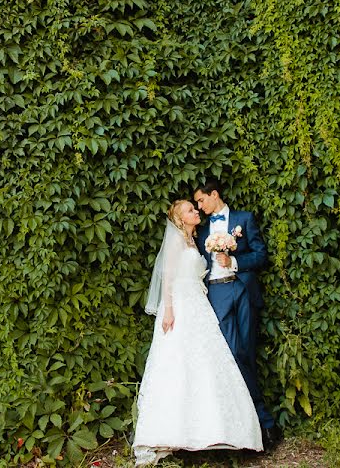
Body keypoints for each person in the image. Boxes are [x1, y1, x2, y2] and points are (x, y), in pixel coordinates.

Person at [132, 200, 262, 466]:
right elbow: (167, 277)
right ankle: (171, 431)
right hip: (180, 307)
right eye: (191, 210)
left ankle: (212, 431)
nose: (196, 212)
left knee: (207, 364)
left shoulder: (194, 241)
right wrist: (168, 310)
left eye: (195, 207)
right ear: (181, 219)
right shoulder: (177, 242)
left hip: (199, 305)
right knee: (177, 365)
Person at [193, 179, 281, 449]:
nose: (199, 206)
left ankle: (255, 427)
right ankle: (264, 423)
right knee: (232, 356)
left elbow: (261, 255)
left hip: (242, 290)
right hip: (217, 295)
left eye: (201, 200)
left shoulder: (245, 219)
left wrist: (236, 262)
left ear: (214, 194)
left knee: (246, 353)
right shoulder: (201, 229)